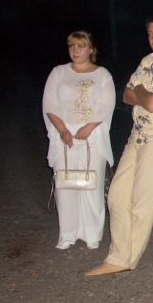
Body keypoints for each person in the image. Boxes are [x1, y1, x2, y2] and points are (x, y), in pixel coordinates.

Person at [86, 13, 153, 276]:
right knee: (116, 196)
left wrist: (141, 92)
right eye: (150, 33)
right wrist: (143, 95)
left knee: (142, 202)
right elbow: (126, 95)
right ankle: (119, 256)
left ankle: (125, 258)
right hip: (138, 136)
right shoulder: (147, 61)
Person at [43, 30, 115, 250]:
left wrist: (90, 126)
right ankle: (67, 234)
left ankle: (92, 233)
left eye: (81, 46)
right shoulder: (59, 72)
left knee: (92, 184)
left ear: (91, 49)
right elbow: (50, 105)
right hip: (65, 136)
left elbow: (107, 105)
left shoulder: (102, 74)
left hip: (93, 135)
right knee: (66, 185)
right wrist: (63, 130)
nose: (75, 50)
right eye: (72, 46)